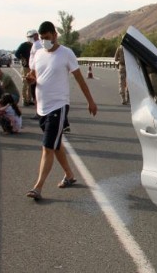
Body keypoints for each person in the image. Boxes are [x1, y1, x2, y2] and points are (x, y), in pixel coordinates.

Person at [25, 21, 97, 200]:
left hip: (58, 106)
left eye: (47, 38)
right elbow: (35, 76)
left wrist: (91, 101)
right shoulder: (39, 54)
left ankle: (38, 187)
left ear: (55, 35)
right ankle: (70, 175)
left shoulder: (66, 53)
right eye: (41, 38)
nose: (44, 41)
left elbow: (80, 79)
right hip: (42, 107)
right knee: (56, 145)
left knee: (47, 147)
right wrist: (30, 79)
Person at [14, 30, 35, 105]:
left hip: (32, 67)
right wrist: (22, 59)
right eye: (29, 37)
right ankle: (24, 99)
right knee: (25, 83)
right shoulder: (24, 45)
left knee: (31, 84)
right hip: (25, 67)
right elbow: (16, 54)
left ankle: (29, 99)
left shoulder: (34, 45)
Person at [28, 30, 43, 118]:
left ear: (36, 35)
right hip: (35, 71)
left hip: (35, 72)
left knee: (35, 93)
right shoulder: (36, 44)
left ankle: (39, 113)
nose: (30, 38)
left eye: (31, 36)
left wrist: (32, 72)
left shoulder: (37, 45)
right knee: (36, 92)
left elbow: (37, 59)